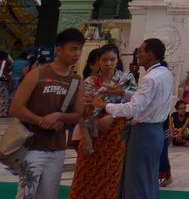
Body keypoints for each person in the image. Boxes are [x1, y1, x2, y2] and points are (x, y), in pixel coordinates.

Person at [87, 38, 174, 199]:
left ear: (151, 54)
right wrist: (122, 93)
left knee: (137, 180)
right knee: (147, 178)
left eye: (141, 51)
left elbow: (134, 108)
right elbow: (148, 101)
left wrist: (104, 106)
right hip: (155, 131)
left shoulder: (150, 78)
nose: (137, 54)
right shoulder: (165, 73)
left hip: (144, 132)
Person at [9, 27, 85, 199]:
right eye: (73, 48)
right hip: (32, 146)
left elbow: (78, 114)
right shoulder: (38, 74)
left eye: (79, 48)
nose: (77, 53)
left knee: (48, 196)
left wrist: (59, 117)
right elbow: (16, 108)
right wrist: (41, 120)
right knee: (26, 195)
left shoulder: (76, 80)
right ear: (58, 50)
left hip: (57, 149)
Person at [68, 43, 135, 199]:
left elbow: (134, 106)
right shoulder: (90, 82)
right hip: (93, 133)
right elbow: (83, 113)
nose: (108, 64)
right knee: (84, 178)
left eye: (112, 59)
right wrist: (85, 137)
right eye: (104, 60)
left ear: (118, 60)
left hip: (116, 136)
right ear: (98, 61)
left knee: (110, 179)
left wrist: (112, 115)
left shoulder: (127, 79)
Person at [0, 50, 11, 117]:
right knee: (4, 99)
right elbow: (6, 74)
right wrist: (10, 81)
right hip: (1, 84)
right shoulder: (3, 63)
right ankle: (3, 115)